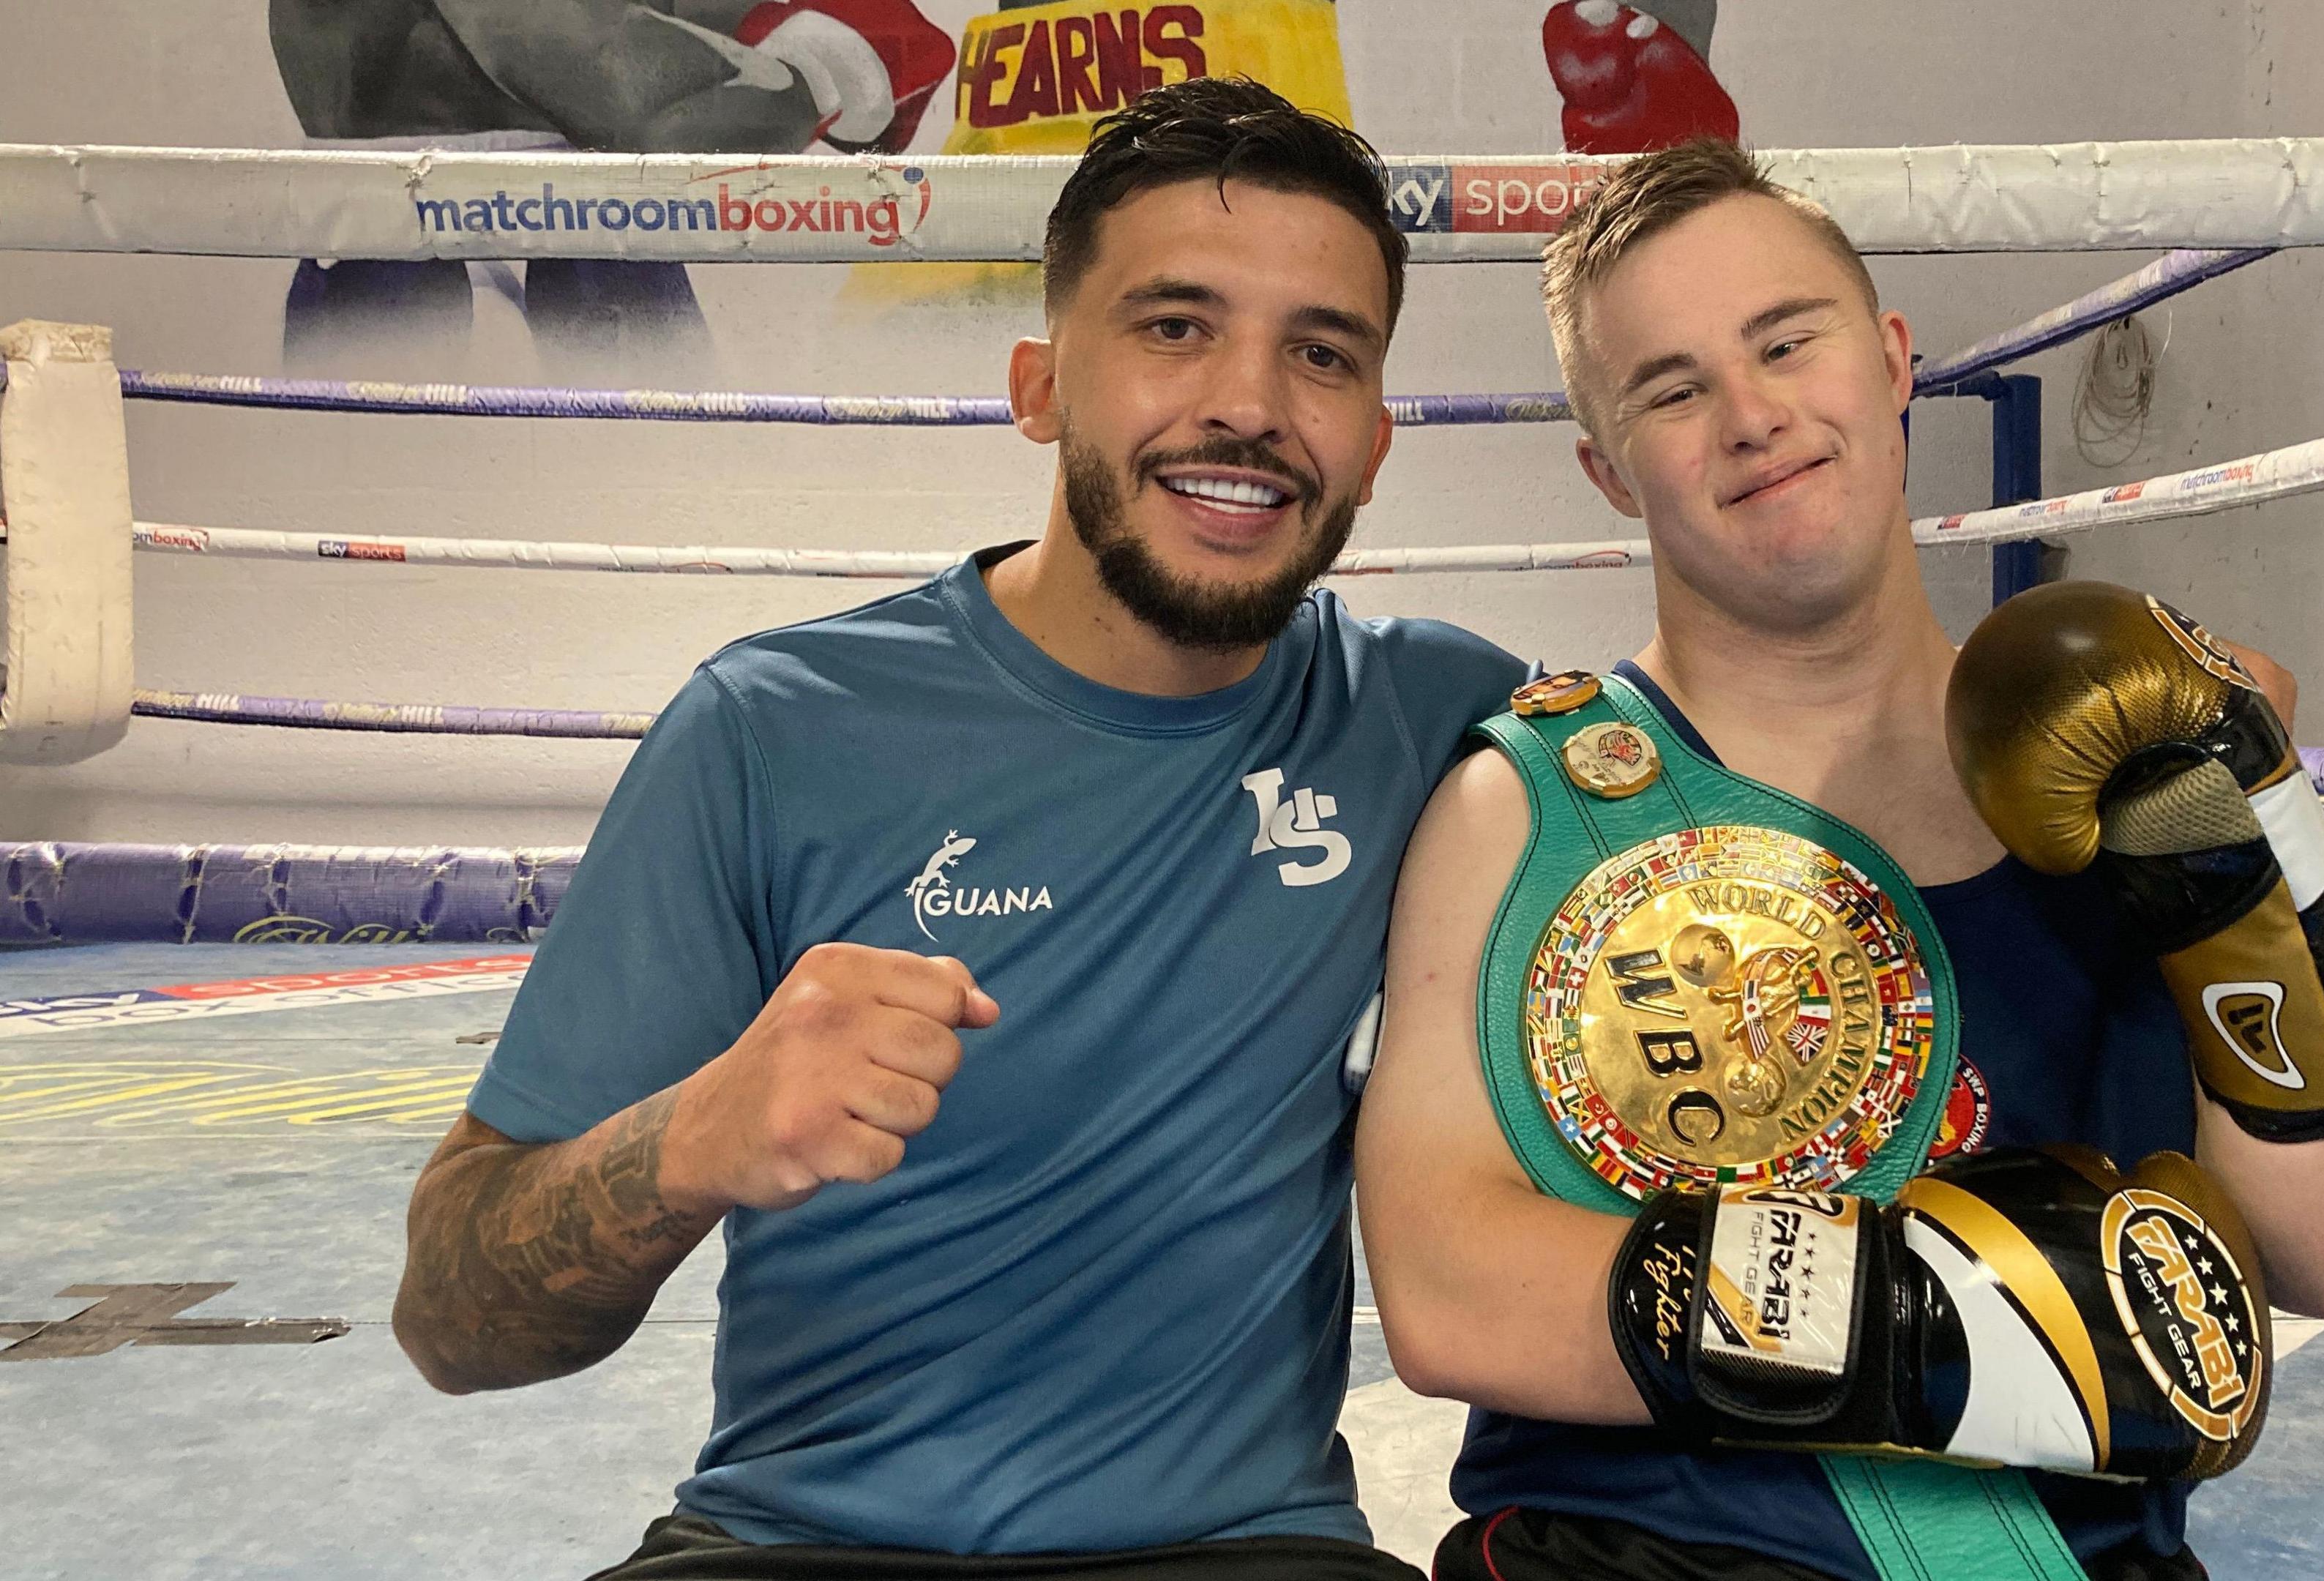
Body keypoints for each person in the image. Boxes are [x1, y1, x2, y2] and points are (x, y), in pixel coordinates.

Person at [389, 78, 1525, 1580]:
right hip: (797, 1547)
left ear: (1374, 440)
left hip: (1244, 1552)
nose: (1249, 402)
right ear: (1040, 385)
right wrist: (693, 1139)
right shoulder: (771, 728)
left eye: (1320, 353)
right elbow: (452, 1323)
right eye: (1175, 325)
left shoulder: (1449, 724)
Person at [1357, 140, 2324, 1581]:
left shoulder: (2138, 756)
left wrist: (2250, 865)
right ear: (1609, 468)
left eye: (1787, 341)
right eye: (1674, 389)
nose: (1754, 415)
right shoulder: (1534, 809)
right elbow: (1445, 1295)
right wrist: (1940, 1328)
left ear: (1893, 356)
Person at [268, 0, 954, 373]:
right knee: (403, 558)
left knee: (671, 520)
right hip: (410, 252)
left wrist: (778, 23)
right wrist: (824, 72)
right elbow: (632, 103)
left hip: (590, 233)